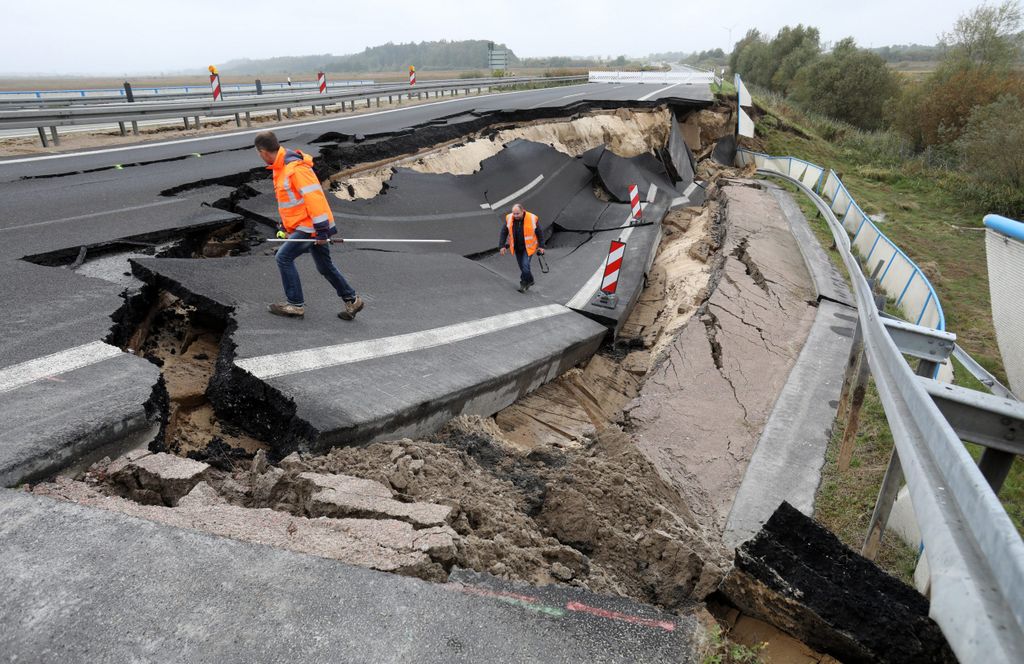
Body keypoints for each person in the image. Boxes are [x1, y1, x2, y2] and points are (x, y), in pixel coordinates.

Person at [254, 130, 364, 320]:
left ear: (263, 151)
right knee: (324, 266)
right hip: (305, 224)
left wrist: (321, 231)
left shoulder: (295, 168)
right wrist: (287, 227)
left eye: (258, 153)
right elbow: (292, 202)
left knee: (283, 257)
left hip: (311, 226)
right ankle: (352, 299)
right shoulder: (281, 168)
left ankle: (295, 304)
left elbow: (315, 199)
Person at [498, 203, 545, 292]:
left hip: (528, 248)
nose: (515, 216)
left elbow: (539, 232)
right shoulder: (509, 218)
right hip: (517, 248)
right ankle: (530, 280)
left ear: (523, 211)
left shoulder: (532, 218)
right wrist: (502, 246)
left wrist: (541, 246)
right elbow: (504, 232)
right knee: (523, 267)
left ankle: (523, 283)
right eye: (514, 213)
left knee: (525, 266)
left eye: (517, 214)